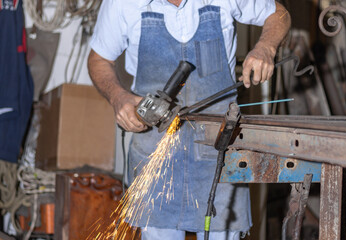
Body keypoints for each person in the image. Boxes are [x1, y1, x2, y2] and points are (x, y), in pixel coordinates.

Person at [88, 0, 290, 239]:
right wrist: (118, 97)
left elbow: (279, 14)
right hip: (156, 152)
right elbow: (99, 59)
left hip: (218, 151)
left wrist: (265, 47)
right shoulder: (123, 4)